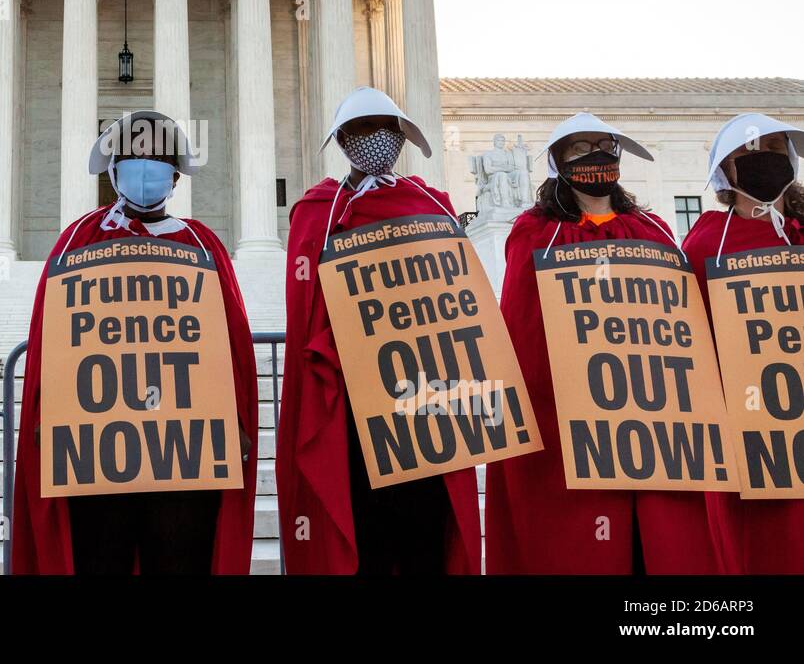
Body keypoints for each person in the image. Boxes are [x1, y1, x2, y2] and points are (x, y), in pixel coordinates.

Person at [11, 110, 258, 574]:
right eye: (134, 154)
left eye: (159, 156)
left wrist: (237, 420)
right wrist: (49, 413)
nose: (147, 164)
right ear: (114, 168)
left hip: (186, 455)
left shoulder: (203, 245)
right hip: (97, 456)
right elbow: (52, 339)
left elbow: (232, 341)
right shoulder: (76, 241)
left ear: (176, 176)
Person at [484, 112, 719, 573]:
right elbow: (522, 324)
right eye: (578, 149)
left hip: (652, 421)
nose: (594, 155)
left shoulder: (652, 231)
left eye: (602, 145)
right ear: (558, 163)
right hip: (567, 425)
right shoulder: (535, 234)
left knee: (652, 543)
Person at [277, 87, 481, 574]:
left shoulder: (433, 205)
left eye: (384, 129)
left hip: (426, 401)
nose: (375, 140)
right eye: (362, 130)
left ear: (400, 137)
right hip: (351, 402)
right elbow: (306, 310)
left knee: (425, 530)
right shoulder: (317, 212)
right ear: (343, 140)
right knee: (366, 529)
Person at [682, 112, 804, 573]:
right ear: (726, 169)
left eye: (775, 150)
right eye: (751, 153)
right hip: (745, 433)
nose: (765, 161)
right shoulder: (705, 243)